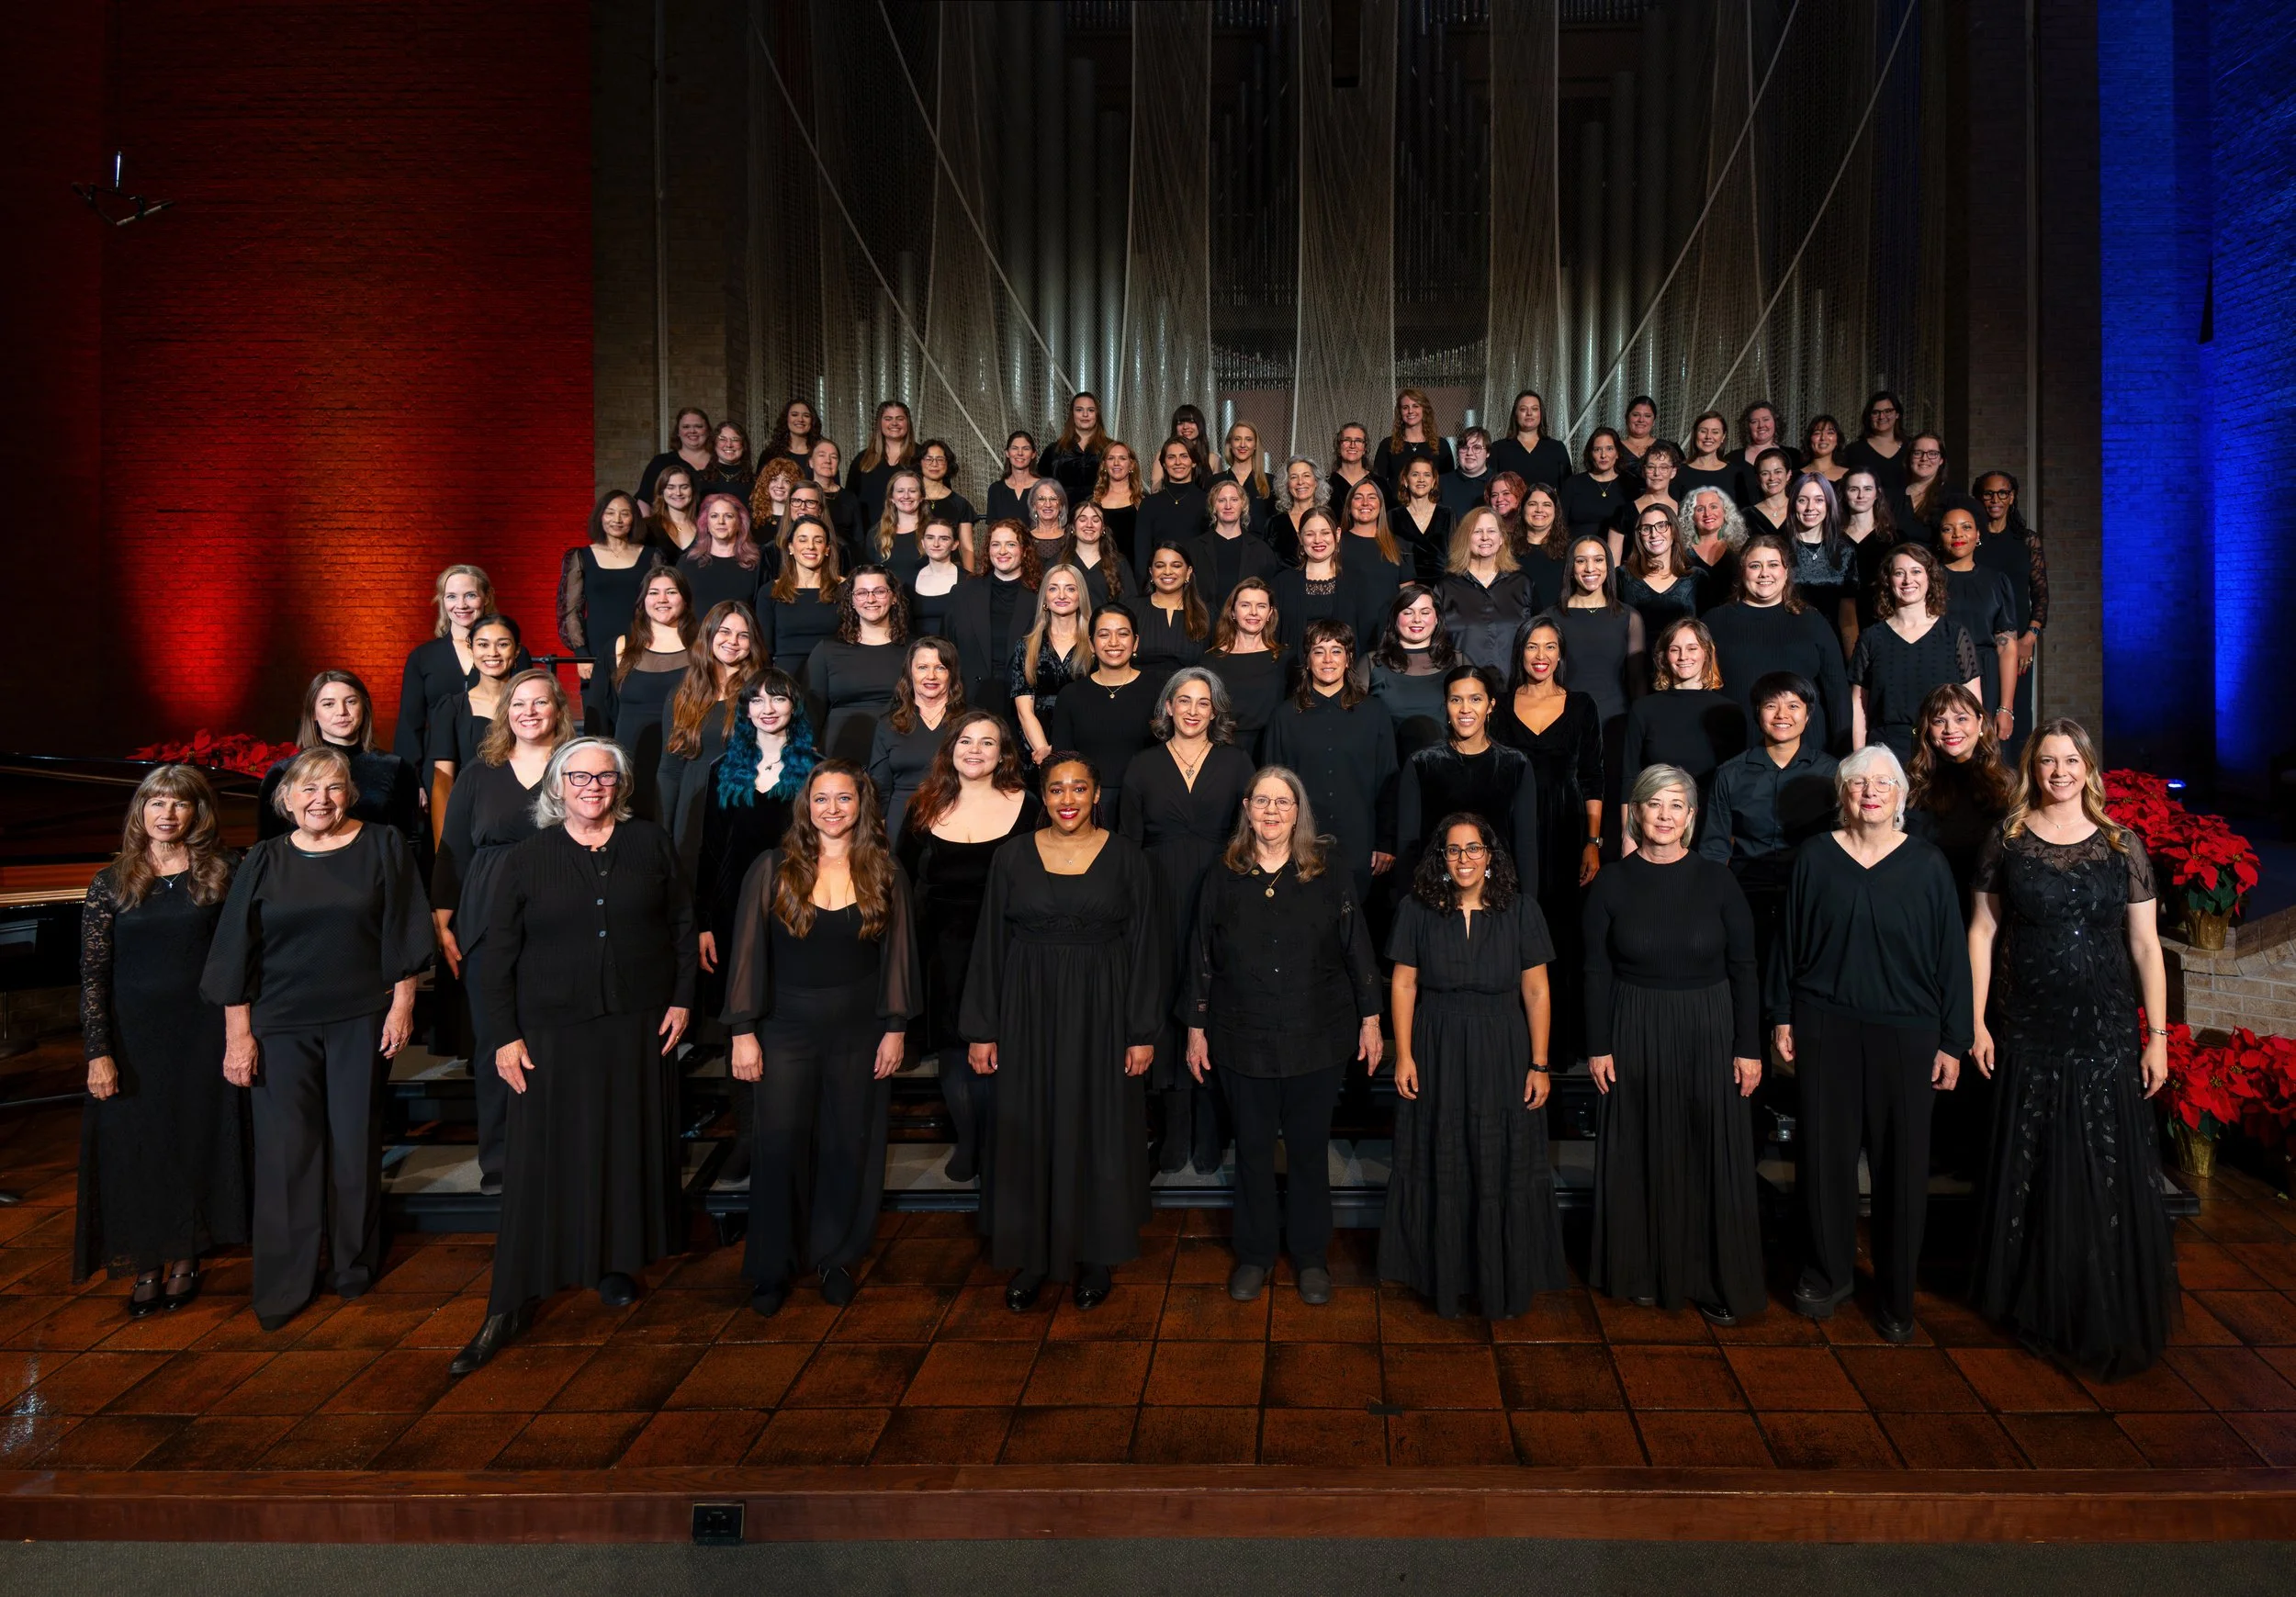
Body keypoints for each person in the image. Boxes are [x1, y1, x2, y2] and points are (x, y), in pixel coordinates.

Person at [449, 738, 695, 1374]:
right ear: (558, 786)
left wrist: (683, 999)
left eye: (605, 777)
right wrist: (504, 1034)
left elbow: (680, 925)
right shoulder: (528, 858)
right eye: (579, 776)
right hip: (551, 1030)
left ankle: (610, 1262)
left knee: (620, 1146)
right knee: (541, 1157)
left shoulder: (650, 844)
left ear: (622, 784)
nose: (593, 786)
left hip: (637, 1022)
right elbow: (497, 954)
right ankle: (512, 1297)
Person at [1967, 720, 2177, 1378]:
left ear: (2088, 767)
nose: (2058, 771)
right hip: (2029, 1018)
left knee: (2105, 1153)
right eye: (2047, 761)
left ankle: (2098, 1288)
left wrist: (2158, 1037)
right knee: (2037, 1152)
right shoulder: (2007, 840)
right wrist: (1975, 1022)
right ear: (2032, 767)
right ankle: (2034, 1294)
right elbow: (1982, 933)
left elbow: (2146, 946)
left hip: (2106, 1023)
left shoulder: (2123, 845)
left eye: (2069, 760)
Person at [200, 747, 433, 1331]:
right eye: (307, 789)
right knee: (287, 1156)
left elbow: (404, 928)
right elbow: (235, 954)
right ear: (286, 799)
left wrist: (402, 1006)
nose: (319, 800)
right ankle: (285, 1283)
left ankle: (353, 1266)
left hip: (361, 1017)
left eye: (331, 788)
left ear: (348, 793)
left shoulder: (382, 844)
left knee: (354, 1146)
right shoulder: (264, 859)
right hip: (280, 1024)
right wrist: (238, 1037)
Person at [1770, 745, 1973, 1343]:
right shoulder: (1814, 858)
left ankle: (1895, 1293)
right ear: (1844, 794)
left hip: (1908, 1032)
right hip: (1824, 1023)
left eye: (1883, 783)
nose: (1871, 792)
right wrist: (1782, 1014)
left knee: (1901, 1168)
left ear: (1900, 796)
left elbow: (1952, 959)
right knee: (1824, 1159)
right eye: (1859, 783)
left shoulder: (1928, 864)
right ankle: (1827, 1273)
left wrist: (1954, 1040)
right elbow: (1788, 942)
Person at [963, 755, 1165, 1310]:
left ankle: (1096, 1253)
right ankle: (1034, 1256)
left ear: (1097, 793)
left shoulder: (1128, 858)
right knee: (1029, 1124)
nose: (1068, 798)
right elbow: (989, 946)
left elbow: (1147, 946)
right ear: (1043, 796)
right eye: (1056, 789)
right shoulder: (1011, 857)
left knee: (1098, 1126)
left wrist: (1141, 1030)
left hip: (1103, 1013)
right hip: (1027, 1011)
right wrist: (983, 1029)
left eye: (1080, 787)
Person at [722, 762, 918, 1317]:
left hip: (861, 1033)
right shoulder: (773, 869)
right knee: (779, 1144)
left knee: (847, 1143)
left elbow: (899, 957)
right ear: (805, 807)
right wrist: (743, 1031)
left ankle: (837, 1256)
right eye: (821, 799)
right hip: (784, 1029)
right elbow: (746, 955)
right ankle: (773, 1266)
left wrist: (896, 1027)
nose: (832, 810)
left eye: (844, 799)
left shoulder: (885, 871)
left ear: (862, 805)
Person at [1186, 768, 1381, 1305]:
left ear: (1299, 811)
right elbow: (1201, 954)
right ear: (1246, 807)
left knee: (1308, 1152)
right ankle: (1254, 1255)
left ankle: (1311, 1256)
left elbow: (1356, 948)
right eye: (1262, 801)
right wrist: (1196, 1029)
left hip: (1316, 1036)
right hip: (1240, 1036)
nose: (1272, 812)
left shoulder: (1327, 871)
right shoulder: (1223, 874)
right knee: (1250, 1151)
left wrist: (1371, 1018)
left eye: (1284, 802)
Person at [1583, 765, 1765, 1325]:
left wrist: (1749, 1046)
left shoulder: (1718, 880)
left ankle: (1711, 1277)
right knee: (1639, 1145)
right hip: (1633, 1024)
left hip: (1709, 1030)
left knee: (1710, 1151)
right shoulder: (1611, 883)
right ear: (1635, 813)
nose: (1664, 815)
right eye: (1654, 804)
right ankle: (1640, 1269)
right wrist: (1598, 1045)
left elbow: (1744, 966)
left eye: (1676, 806)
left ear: (1691, 818)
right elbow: (1593, 971)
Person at [1379, 811, 1566, 1320]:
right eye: (1453, 850)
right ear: (1441, 859)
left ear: (1490, 857)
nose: (1463, 859)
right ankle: (1442, 1278)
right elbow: (1403, 985)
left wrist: (1540, 1063)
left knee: (1498, 1160)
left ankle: (1499, 1277)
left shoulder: (1522, 910)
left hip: (1503, 1049)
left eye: (1473, 849)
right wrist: (1405, 1055)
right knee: (1441, 1158)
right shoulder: (1417, 910)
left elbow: (1536, 989)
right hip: (1436, 1045)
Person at [74, 766, 246, 1313]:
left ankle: (188, 1254)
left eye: (179, 803)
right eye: (156, 802)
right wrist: (98, 1052)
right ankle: (146, 1260)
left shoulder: (223, 871)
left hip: (203, 1033)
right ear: (140, 811)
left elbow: (243, 957)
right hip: (134, 1039)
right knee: (138, 1147)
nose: (167, 813)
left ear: (198, 812)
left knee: (193, 1139)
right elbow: (93, 973)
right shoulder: (112, 881)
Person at [431, 669, 577, 1195]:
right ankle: (500, 1160)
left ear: (559, 710)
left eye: (541, 703)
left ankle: (558, 1152)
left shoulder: (577, 768)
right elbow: (453, 851)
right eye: (519, 703)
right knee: (497, 1040)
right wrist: (442, 918)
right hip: (487, 920)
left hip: (563, 921)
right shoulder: (478, 772)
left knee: (557, 1040)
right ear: (505, 713)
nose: (530, 712)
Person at [1120, 669, 1257, 1175]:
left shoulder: (1238, 762)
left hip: (1222, 891)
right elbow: (1129, 846)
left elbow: (1253, 837)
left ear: (1216, 710)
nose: (1194, 710)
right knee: (1165, 997)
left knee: (1216, 997)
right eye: (1184, 701)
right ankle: (1175, 1124)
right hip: (1157, 896)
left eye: (1204, 702)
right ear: (1168, 708)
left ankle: (1210, 1124)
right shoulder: (1142, 766)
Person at [897, 712, 1039, 1186]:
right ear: (950, 749)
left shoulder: (1029, 806)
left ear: (1003, 754)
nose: (975, 750)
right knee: (956, 1050)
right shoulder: (924, 806)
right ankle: (970, 1140)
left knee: (1007, 1044)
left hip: (1009, 945)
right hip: (943, 946)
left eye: (987, 742)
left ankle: (1002, 1141)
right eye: (965, 741)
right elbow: (900, 876)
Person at [1491, 617, 1604, 1065]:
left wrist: (1592, 840)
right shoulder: (1498, 704)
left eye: (1550, 647)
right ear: (1520, 653)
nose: (1541, 656)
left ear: (1561, 654)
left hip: (1565, 830)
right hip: (1510, 834)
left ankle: (1560, 1047)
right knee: (1511, 933)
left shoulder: (1581, 705)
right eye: (1533, 647)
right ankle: (1512, 1044)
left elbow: (1593, 776)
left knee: (1562, 934)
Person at [694, 675, 817, 1080]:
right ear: (746, 710)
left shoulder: (817, 768)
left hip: (797, 896)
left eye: (778, 699)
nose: (767, 708)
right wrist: (705, 924)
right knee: (743, 1007)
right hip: (734, 906)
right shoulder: (722, 769)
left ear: (793, 707)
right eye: (758, 701)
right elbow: (710, 850)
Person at [1699, 671, 1840, 982]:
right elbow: (1714, 847)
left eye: (1793, 706)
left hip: (1811, 899)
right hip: (1747, 896)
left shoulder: (1832, 774)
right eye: (1771, 706)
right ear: (1757, 713)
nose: (1782, 715)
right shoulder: (1729, 774)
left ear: (1808, 715)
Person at [1261, 619, 1398, 898]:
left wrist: (1386, 841)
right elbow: (1271, 789)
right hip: (1301, 845)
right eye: (1318, 651)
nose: (1327, 660)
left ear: (1349, 659)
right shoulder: (1285, 717)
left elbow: (1388, 781)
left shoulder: (1374, 713)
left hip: (1359, 843)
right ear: (1307, 660)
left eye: (1336, 651)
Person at [1704, 534, 1851, 752]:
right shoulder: (1715, 621)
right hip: (1736, 748)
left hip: (1807, 750)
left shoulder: (1812, 620)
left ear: (1786, 571)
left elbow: (1837, 691)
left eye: (1773, 564)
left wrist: (1845, 752)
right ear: (1742, 571)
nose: (1765, 573)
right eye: (1755, 566)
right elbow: (1702, 691)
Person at [1397, 666, 1540, 880]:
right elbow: (1408, 846)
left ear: (1490, 706)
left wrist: (1527, 907)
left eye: (1475, 699)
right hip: (1436, 893)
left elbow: (1526, 845)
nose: (1465, 709)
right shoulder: (1422, 764)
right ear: (1446, 705)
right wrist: (1408, 908)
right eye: (1456, 700)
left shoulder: (1516, 764)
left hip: (1499, 893)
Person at [654, 601, 762, 873]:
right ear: (710, 634)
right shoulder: (684, 693)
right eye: (724, 632)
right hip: (694, 801)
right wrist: (664, 830)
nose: (733, 642)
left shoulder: (762, 691)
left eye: (743, 635)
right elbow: (669, 769)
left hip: (744, 800)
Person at [256, 670, 422, 848]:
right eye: (329, 704)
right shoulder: (283, 772)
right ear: (313, 713)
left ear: (364, 707)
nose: (342, 712)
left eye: (351, 702)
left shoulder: (396, 767)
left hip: (375, 870)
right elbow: (268, 844)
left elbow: (409, 840)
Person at [1848, 542, 1981, 763]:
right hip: (1886, 753)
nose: (1908, 580)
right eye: (1899, 573)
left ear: (1930, 577)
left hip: (1943, 751)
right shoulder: (1872, 638)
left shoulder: (1954, 634)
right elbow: (1859, 706)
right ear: (1888, 581)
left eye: (1916, 571)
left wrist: (1969, 759)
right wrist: (1859, 759)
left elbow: (1974, 705)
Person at [1548, 535, 1646, 815]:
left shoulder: (1629, 617)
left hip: (1616, 727)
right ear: (1571, 567)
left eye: (1598, 559)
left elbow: (1637, 683)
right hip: (1566, 728)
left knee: (1614, 810)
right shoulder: (1551, 618)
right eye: (1581, 560)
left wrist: (1638, 733)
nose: (1590, 568)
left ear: (1609, 565)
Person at [1905, 682, 2016, 921]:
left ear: (1980, 724)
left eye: (1961, 719)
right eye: (1939, 721)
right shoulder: (1912, 786)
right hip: (1928, 909)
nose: (1950, 729)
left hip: (1991, 911)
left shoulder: (2009, 786)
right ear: (1927, 729)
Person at [1621, 618, 1748, 820]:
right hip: (1658, 821)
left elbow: (1738, 782)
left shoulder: (1729, 711)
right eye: (1674, 649)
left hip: (1712, 823)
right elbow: (1629, 778)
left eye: (1692, 648)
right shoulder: (1644, 709)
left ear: (1706, 653)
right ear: (1664, 657)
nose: (1683, 657)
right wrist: (1628, 835)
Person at [561, 494, 668, 734]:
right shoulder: (581, 556)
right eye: (610, 513)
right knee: (598, 726)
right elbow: (571, 610)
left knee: (640, 725)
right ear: (600, 517)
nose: (617, 519)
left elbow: (664, 604)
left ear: (634, 519)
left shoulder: (652, 556)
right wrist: (582, 655)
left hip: (642, 647)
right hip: (597, 653)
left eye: (625, 513)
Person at [1048, 604, 1161, 827]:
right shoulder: (1071, 695)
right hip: (1087, 806)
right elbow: (1062, 760)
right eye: (1104, 634)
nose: (1113, 642)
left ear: (1135, 642)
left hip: (1148, 803)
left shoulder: (1159, 690)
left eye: (1123, 634)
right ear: (1091, 643)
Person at [398, 564, 514, 776]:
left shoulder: (510, 655)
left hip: (499, 763)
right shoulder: (423, 657)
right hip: (436, 770)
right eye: (451, 596)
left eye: (470, 595)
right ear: (442, 601)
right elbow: (409, 724)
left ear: (487, 597)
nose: (461, 605)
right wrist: (411, 780)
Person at [608, 565, 699, 820]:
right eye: (653, 592)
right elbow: (603, 713)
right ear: (643, 600)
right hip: (630, 761)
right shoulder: (620, 646)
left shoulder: (703, 647)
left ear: (685, 598)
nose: (662, 599)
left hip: (682, 760)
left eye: (671, 592)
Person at [1972, 471, 2049, 756]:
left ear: (2012, 497)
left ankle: (2015, 791)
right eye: (1988, 494)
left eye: (2002, 493)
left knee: (2014, 715)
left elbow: (2040, 594)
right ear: (1979, 498)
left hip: (2018, 642)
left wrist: (2030, 637)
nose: (1995, 499)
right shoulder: (1973, 540)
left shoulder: (2027, 541)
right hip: (1978, 637)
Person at [1934, 497, 2020, 743]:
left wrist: (2005, 708)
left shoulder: (1997, 582)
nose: (1957, 534)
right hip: (1940, 671)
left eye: (1966, 527)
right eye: (1948, 529)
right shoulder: (1927, 581)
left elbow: (2007, 647)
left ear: (1978, 534)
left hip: (1986, 676)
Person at [805, 564, 908, 766]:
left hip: (899, 752)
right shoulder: (827, 650)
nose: (870, 599)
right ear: (851, 601)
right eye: (861, 593)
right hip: (840, 757)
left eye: (879, 591)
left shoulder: (915, 650)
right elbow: (811, 712)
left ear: (894, 597)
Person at [424, 614, 523, 815]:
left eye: (503, 644)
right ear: (472, 649)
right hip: (471, 819)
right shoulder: (451, 708)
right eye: (483, 645)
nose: (493, 653)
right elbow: (443, 783)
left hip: (526, 816)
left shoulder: (533, 707)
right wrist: (443, 845)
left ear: (517, 650)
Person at [867, 635, 962, 843]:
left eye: (940, 668)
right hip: (900, 822)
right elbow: (880, 787)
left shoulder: (971, 721)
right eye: (922, 667)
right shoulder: (889, 724)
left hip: (958, 816)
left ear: (951, 674)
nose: (931, 676)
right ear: (910, 673)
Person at [945, 520, 1040, 721]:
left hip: (1023, 707)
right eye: (995, 544)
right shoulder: (963, 593)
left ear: (1024, 550)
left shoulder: (1040, 596)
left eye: (1011, 544)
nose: (1002, 551)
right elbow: (947, 650)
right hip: (971, 704)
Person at [1364, 584, 1459, 763]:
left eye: (1425, 612)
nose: (1417, 619)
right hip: (1388, 768)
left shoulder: (1458, 662)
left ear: (1437, 618)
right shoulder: (1371, 663)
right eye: (1408, 612)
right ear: (1395, 618)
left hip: (1447, 768)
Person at [1271, 505, 1383, 657]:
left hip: (1346, 675)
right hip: (1293, 675)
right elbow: (1273, 637)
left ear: (1337, 535)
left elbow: (1368, 639)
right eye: (1310, 534)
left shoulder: (1357, 581)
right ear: (1300, 538)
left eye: (1325, 533)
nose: (1318, 540)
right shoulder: (1282, 583)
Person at [1008, 563, 1090, 770]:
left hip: (1084, 740)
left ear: (1081, 596)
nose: (1061, 595)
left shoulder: (1094, 644)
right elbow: (1024, 711)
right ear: (1045, 598)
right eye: (1053, 588)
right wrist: (1045, 751)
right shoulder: (1026, 646)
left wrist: (1066, 748)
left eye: (1070, 588)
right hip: (1036, 747)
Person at [1436, 507, 1536, 670]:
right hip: (1465, 688)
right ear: (1465, 538)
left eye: (1491, 531)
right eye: (1477, 532)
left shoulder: (1522, 584)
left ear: (1502, 538)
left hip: (1513, 688)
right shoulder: (1446, 587)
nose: (1485, 537)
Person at [1201, 578, 1288, 748]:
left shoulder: (1285, 659)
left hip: (1272, 747)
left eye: (1261, 606)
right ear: (1232, 612)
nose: (1253, 612)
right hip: (1224, 748)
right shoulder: (1210, 660)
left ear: (1270, 613)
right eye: (1245, 605)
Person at [761, 514, 844, 678]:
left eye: (818, 540)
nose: (811, 546)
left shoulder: (845, 589)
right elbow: (764, 650)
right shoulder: (770, 591)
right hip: (786, 680)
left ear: (827, 549)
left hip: (835, 675)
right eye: (803, 540)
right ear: (791, 547)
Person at [1185, 477, 1283, 609]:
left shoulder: (1262, 551)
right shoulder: (1194, 549)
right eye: (1221, 500)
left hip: (1247, 626)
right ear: (1213, 506)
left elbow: (1271, 597)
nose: (1228, 506)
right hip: (1205, 625)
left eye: (1234, 500)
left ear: (1243, 505)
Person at [1784, 473, 1857, 642]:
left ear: (1829, 504)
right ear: (1793, 504)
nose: (1810, 507)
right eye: (1802, 500)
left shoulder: (1844, 551)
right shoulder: (1779, 548)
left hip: (1830, 640)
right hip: (1787, 639)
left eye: (1819, 500)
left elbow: (1848, 619)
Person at [1617, 501, 1705, 635]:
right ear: (1639, 535)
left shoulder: (1697, 578)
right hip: (1634, 655)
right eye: (1646, 528)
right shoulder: (1622, 576)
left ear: (1673, 532)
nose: (1654, 534)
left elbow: (1707, 633)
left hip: (1682, 655)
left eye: (1661, 526)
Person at [1134, 542, 1211, 685]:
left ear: (1188, 572)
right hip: (1136, 695)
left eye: (1176, 566)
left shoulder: (1208, 613)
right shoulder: (1131, 610)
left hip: (1187, 698)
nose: (1167, 571)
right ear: (1151, 572)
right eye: (1160, 566)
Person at [1839, 467, 1898, 646]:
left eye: (1867, 489)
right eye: (1853, 489)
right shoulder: (1832, 539)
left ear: (1877, 493)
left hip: (1883, 619)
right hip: (1839, 623)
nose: (1861, 495)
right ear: (1844, 494)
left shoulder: (1894, 539)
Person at [681, 493, 766, 617]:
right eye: (714, 516)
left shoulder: (758, 563)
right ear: (706, 524)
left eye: (728, 516)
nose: (721, 522)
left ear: (739, 523)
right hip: (697, 635)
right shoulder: (688, 562)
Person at [1140, 437, 1210, 577]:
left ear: (1194, 462)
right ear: (1164, 464)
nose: (1178, 462)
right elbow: (1142, 553)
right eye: (1171, 457)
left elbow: (1210, 551)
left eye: (1184, 456)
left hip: (1197, 583)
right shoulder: (1149, 504)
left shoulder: (1207, 502)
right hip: (1159, 582)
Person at [850, 399, 919, 525]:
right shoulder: (862, 459)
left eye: (900, 419)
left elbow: (937, 497)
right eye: (888, 418)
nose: (894, 423)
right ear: (879, 423)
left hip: (912, 534)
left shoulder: (922, 456)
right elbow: (851, 501)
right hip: (870, 536)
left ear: (908, 422)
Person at [1372, 387, 1456, 491]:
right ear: (1400, 412)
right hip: (1396, 506)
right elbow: (1379, 484)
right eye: (1405, 407)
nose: (1410, 411)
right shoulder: (1387, 444)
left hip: (1432, 505)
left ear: (1424, 410)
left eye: (1415, 406)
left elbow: (1447, 482)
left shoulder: (1441, 445)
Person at [1337, 476, 1408, 599]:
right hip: (1345, 617)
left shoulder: (1400, 545)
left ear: (1381, 507)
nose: (1365, 503)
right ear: (1349, 507)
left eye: (1372, 498)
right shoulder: (1336, 544)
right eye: (1358, 498)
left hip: (1389, 618)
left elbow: (1408, 600)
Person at [1678, 484, 1747, 608]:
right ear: (1692, 516)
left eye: (1713, 507)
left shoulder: (1739, 551)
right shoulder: (1681, 552)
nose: (1707, 513)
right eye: (1700, 509)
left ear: (1725, 511)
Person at [1391, 456, 1455, 588]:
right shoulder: (1393, 516)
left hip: (1442, 590)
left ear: (1433, 482)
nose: (1421, 479)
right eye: (1415, 474)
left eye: (1427, 475)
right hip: (1405, 591)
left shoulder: (1447, 514)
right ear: (1405, 481)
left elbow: (1455, 557)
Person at [1561, 428, 1633, 545]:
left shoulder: (1628, 484)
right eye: (1597, 450)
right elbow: (1560, 524)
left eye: (1609, 449)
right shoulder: (1573, 483)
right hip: (1577, 553)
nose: (1603, 455)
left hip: (1618, 556)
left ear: (1618, 453)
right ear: (1590, 454)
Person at [636, 406, 714, 511]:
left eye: (698, 426)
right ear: (678, 432)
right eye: (686, 427)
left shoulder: (720, 462)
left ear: (708, 430)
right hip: (669, 526)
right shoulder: (661, 462)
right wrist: (645, 526)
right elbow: (644, 501)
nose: (692, 431)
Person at [1491, 389, 1571, 489]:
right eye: (1523, 409)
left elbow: (1567, 488)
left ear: (1541, 414)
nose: (1529, 413)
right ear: (1515, 415)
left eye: (1534, 409)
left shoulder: (1557, 448)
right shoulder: (1499, 448)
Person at [1840, 389, 1910, 505]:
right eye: (1876, 412)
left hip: (1907, 513)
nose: (1882, 416)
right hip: (1869, 514)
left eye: (1888, 411)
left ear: (1897, 414)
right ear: (1869, 417)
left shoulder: (1911, 447)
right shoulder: (1854, 450)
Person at [866, 467, 930, 590]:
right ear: (891, 498)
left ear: (921, 497)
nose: (906, 496)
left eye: (912, 491)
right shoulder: (876, 533)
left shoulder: (933, 531)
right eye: (900, 491)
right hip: (889, 603)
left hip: (925, 601)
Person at [1037, 390, 1109, 501]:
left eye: (1090, 410)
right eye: (1079, 410)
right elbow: (1040, 488)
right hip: (1063, 515)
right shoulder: (1054, 450)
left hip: (1101, 514)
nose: (1085, 415)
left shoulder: (1110, 448)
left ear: (1097, 414)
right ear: (1072, 414)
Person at [917, 440, 976, 568]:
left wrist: (969, 580)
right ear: (920, 462)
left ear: (948, 464)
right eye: (929, 459)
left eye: (940, 459)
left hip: (949, 573)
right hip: (914, 572)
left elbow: (967, 548)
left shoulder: (960, 503)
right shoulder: (908, 500)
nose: (934, 464)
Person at [1063, 499, 1131, 608]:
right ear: (1073, 527)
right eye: (1082, 519)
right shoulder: (1058, 563)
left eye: (1096, 520)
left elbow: (1130, 604)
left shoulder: (1119, 563)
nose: (1089, 525)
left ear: (1103, 528)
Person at [906, 518, 966, 639]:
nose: (936, 544)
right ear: (923, 543)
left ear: (955, 544)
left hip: (956, 653)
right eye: (930, 538)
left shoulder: (969, 581)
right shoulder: (908, 583)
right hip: (919, 652)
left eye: (944, 538)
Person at [1215, 421, 1277, 538]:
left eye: (1248, 439)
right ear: (1230, 444)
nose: (1243, 445)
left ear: (1255, 446)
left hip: (1260, 552)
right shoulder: (1215, 482)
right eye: (1237, 439)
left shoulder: (1271, 482)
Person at [1090, 440, 1144, 568]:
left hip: (1135, 571)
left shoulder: (1143, 502)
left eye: (1122, 458)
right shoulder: (1093, 502)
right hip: (1101, 570)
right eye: (1111, 458)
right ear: (1104, 465)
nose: (1116, 463)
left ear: (1131, 465)